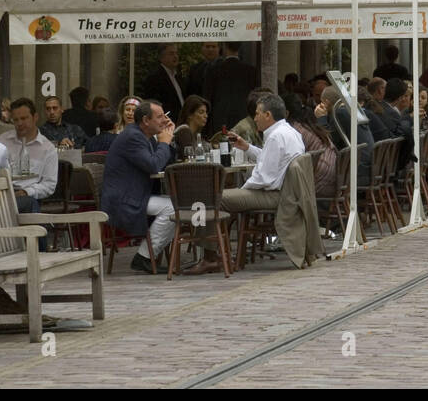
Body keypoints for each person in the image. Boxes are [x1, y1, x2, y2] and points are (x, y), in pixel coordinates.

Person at [186, 93, 306, 274]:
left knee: (209, 199)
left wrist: (241, 191)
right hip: (286, 192)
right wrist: (247, 147)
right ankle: (219, 251)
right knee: (225, 198)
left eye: (257, 113)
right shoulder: (290, 132)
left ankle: (210, 257)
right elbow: (270, 159)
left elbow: (263, 179)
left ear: (268, 115)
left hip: (274, 195)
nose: (255, 117)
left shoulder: (275, 137)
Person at [100, 99, 176, 273]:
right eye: (159, 117)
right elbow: (154, 165)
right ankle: (144, 257)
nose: (164, 120)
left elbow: (164, 162)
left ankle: (149, 255)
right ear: (145, 121)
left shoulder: (145, 136)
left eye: (165, 116)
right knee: (173, 208)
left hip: (135, 194)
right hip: (122, 200)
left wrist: (167, 140)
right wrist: (164, 142)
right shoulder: (133, 136)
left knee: (176, 204)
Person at [0, 98, 58, 214]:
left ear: (35, 117)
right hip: (2, 195)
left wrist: (26, 192)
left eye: (24, 118)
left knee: (28, 202)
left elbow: (49, 185)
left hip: (29, 197)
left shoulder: (48, 148)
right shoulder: (3, 140)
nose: (19, 123)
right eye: (16, 120)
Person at [317, 84, 373, 195]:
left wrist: (321, 118)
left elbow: (330, 142)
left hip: (358, 172)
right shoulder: (350, 110)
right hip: (367, 168)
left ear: (326, 102)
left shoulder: (340, 113)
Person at [204, 41, 259, 136]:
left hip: (220, 121)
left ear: (224, 46)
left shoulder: (213, 70)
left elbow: (207, 98)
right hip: (244, 119)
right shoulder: (251, 71)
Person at [142, 43, 186, 121]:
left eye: (176, 53)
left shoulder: (178, 77)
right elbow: (153, 104)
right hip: (166, 122)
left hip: (181, 121)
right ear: (161, 57)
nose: (175, 56)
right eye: (171, 53)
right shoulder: (154, 78)